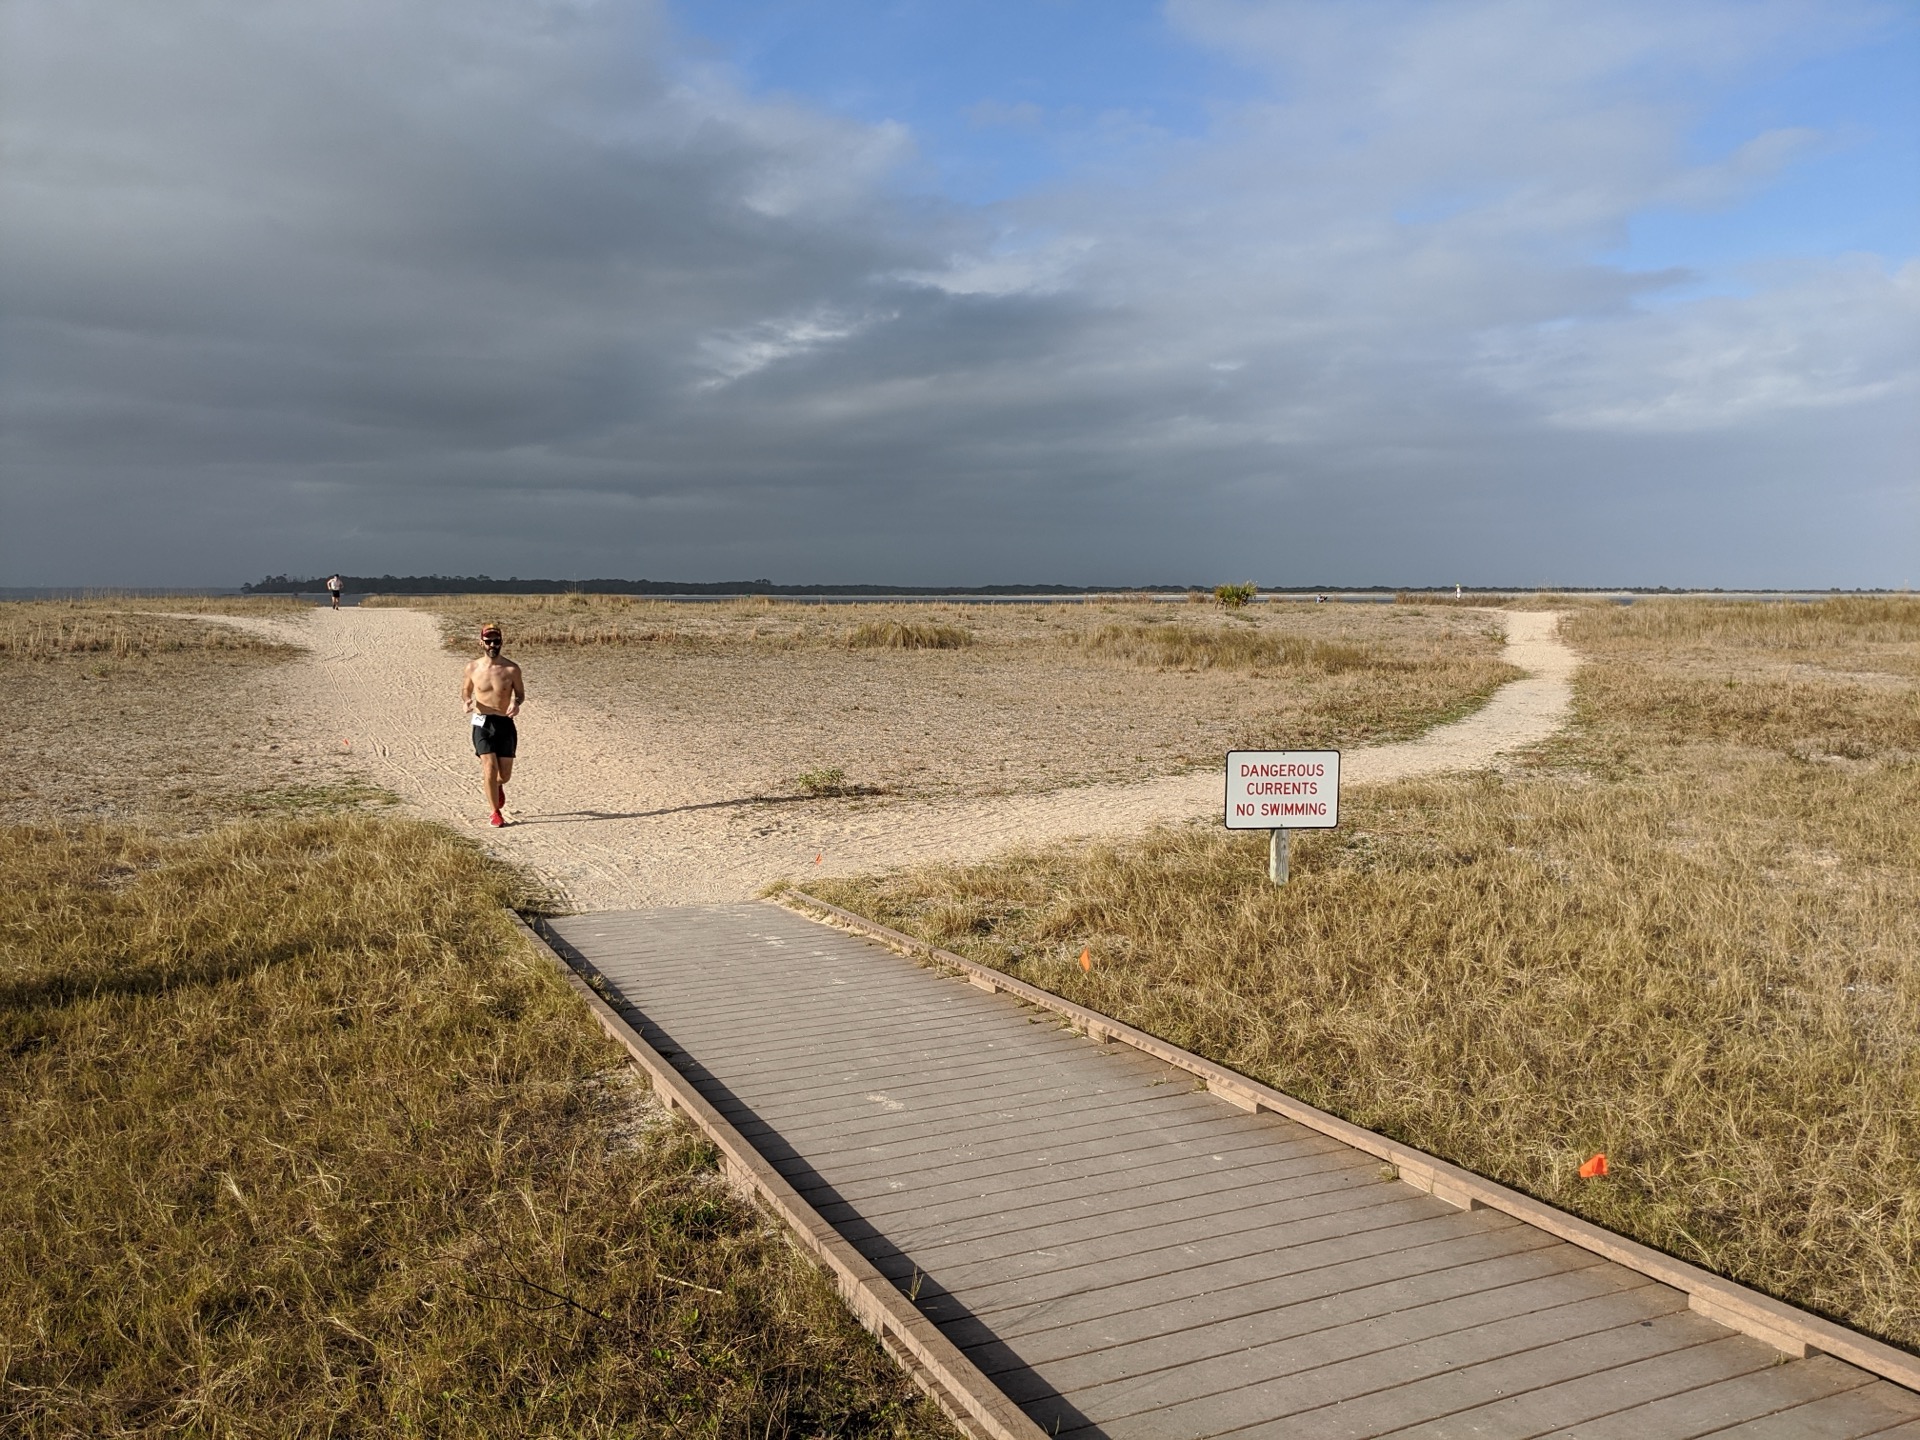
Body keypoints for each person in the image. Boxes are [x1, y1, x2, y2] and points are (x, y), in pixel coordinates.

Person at [462, 621, 524, 827]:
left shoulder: (512, 669)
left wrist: (516, 703)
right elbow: (465, 690)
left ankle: (497, 787)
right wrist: (467, 701)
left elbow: (520, 694)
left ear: (501, 642)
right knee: (489, 767)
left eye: (496, 641)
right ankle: (495, 812)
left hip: (505, 723)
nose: (492, 645)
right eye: (488, 641)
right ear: (481, 642)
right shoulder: (472, 667)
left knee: (503, 775)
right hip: (481, 721)